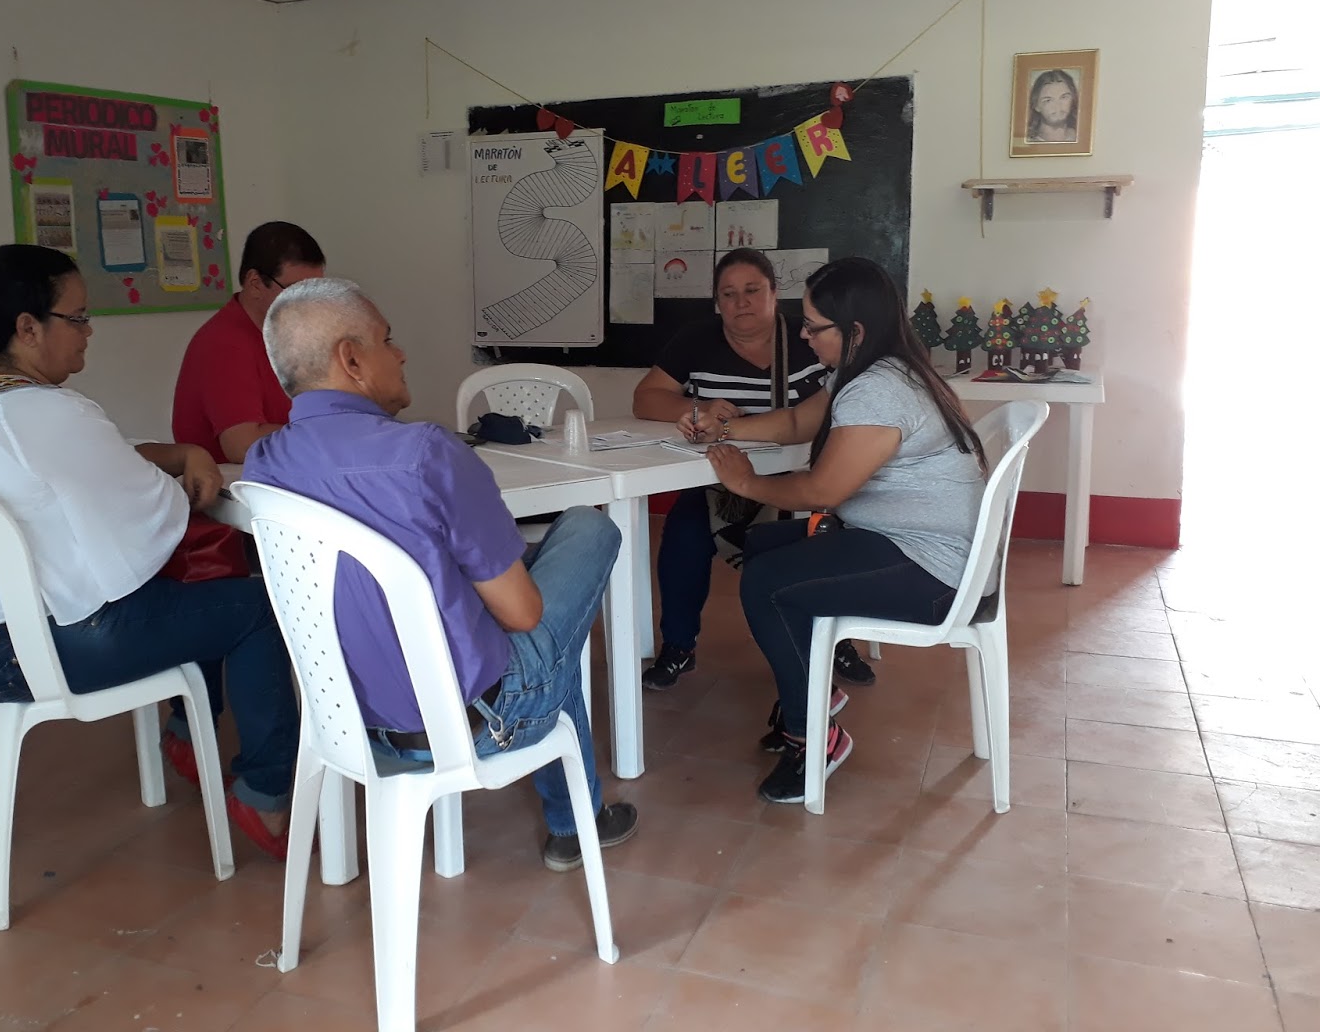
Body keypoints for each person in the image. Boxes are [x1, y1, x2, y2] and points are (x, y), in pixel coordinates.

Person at [244, 278, 639, 872]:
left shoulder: (264, 464)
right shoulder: (426, 452)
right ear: (351, 360)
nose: (401, 353)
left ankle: (577, 821)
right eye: (387, 340)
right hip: (472, 723)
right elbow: (523, 615)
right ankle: (573, 821)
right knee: (588, 529)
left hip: (345, 725)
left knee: (527, 602)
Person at [0, 244, 299, 859]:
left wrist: (184, 453)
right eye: (77, 318)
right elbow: (150, 509)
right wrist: (190, 475)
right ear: (28, 328)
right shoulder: (42, 411)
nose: (88, 332)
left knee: (201, 593)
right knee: (257, 606)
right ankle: (266, 792)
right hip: (51, 650)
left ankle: (188, 733)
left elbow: (113, 459)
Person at [680, 257, 987, 804]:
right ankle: (812, 688)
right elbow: (799, 421)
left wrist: (746, 483)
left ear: (855, 331)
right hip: (907, 542)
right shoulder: (873, 370)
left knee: (768, 583)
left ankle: (814, 735)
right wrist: (724, 427)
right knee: (760, 545)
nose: (802, 336)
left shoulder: (879, 390)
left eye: (813, 326)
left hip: (934, 571)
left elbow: (821, 491)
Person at [631, 249, 856, 692]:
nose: (741, 302)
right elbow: (645, 398)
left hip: (805, 479)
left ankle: (837, 640)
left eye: (752, 290)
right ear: (717, 301)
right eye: (728, 294)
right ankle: (679, 644)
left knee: (829, 536)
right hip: (720, 480)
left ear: (774, 292)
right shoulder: (698, 338)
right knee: (683, 534)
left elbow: (822, 412)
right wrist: (696, 408)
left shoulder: (810, 339)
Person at [172, 221, 326, 465]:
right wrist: (328, 431)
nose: (308, 304)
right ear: (255, 284)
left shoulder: (285, 331)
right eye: (296, 291)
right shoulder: (223, 343)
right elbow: (242, 446)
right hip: (237, 482)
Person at [1026, 68, 1079, 143]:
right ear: (1036, 105)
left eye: (1064, 97)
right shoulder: (1027, 141)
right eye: (1048, 100)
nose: (1057, 106)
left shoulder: (1081, 137)